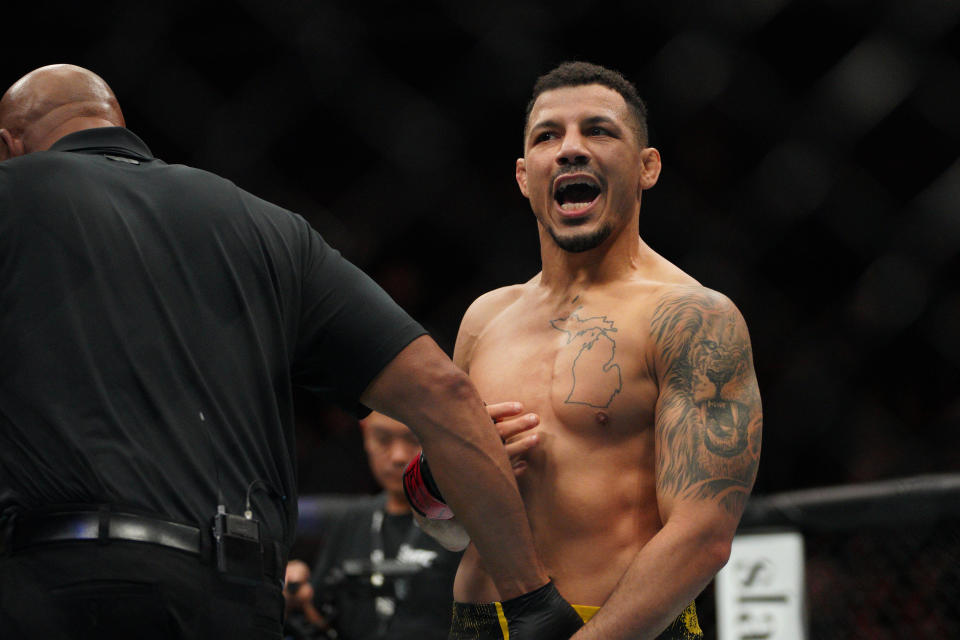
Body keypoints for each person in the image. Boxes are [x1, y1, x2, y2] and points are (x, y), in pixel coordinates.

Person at [0, 64, 583, 639]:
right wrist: (531, 599)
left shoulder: (13, 196)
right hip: (227, 593)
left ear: (8, 146)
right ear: (119, 124)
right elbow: (444, 392)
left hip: (47, 583)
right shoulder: (265, 227)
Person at [410, 61, 763, 640]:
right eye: (548, 135)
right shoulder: (486, 318)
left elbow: (702, 537)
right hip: (478, 623)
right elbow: (445, 528)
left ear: (647, 166)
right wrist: (441, 482)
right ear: (525, 176)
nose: (570, 149)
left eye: (598, 130)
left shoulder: (692, 318)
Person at [290, 412, 461, 639]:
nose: (399, 456)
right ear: (365, 435)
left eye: (415, 439)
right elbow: (319, 615)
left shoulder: (463, 525)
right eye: (383, 439)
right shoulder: (352, 520)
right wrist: (297, 595)